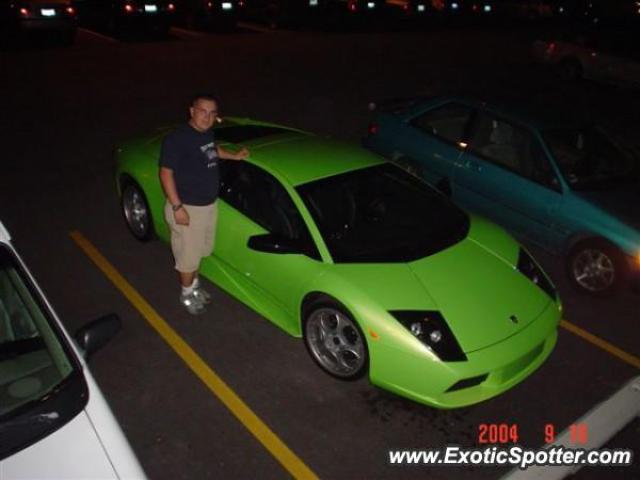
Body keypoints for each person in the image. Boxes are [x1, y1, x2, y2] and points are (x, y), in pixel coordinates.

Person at [159, 93, 249, 315]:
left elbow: (213, 150)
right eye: (202, 111)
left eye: (212, 113)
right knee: (188, 258)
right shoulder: (177, 139)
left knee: (199, 251)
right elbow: (165, 173)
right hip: (188, 209)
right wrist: (177, 207)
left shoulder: (206, 132)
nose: (207, 117)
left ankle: (193, 286)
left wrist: (234, 157)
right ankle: (186, 294)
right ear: (192, 111)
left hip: (208, 206)